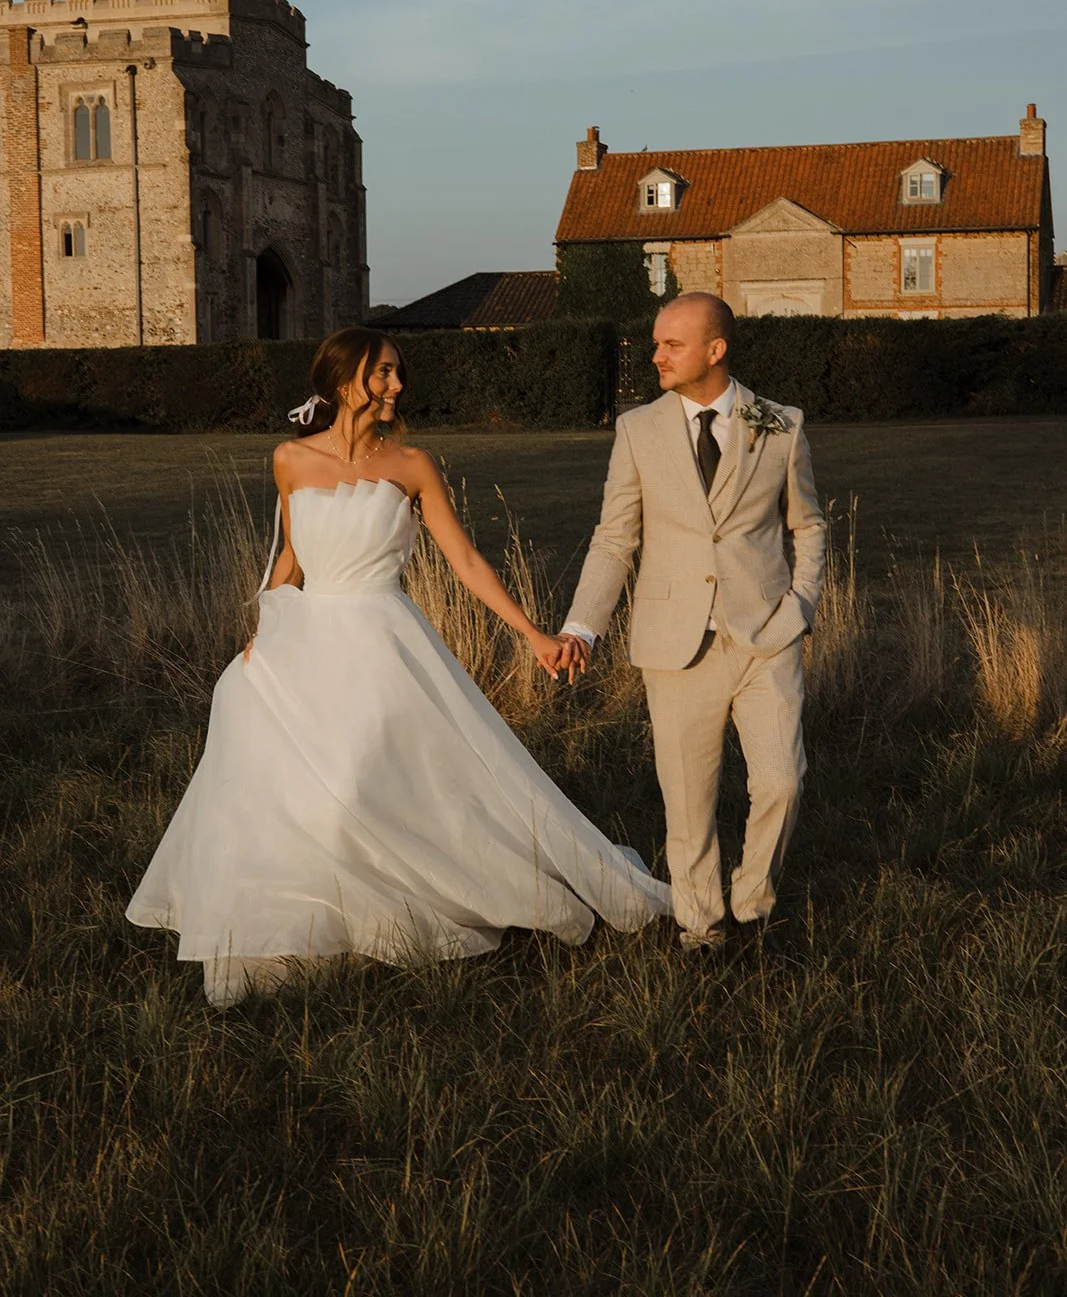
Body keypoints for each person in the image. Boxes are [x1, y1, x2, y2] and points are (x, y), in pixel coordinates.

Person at [126, 327, 671, 1006]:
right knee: (252, 727)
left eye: (397, 374)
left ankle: (429, 890)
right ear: (341, 380)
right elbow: (289, 563)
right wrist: (257, 636)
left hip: (384, 639)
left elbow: (464, 561)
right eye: (383, 373)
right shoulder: (289, 460)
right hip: (305, 639)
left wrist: (530, 633)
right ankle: (303, 911)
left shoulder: (412, 465)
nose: (396, 386)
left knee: (360, 780)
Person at [558, 293, 825, 957]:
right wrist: (582, 627)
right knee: (688, 801)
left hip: (767, 636)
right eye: (654, 343)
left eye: (670, 345)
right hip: (674, 644)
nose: (655, 356)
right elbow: (613, 540)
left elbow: (809, 525)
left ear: (715, 350)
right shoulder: (638, 428)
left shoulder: (776, 422)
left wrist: (799, 608)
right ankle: (701, 931)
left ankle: (752, 900)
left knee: (782, 781)